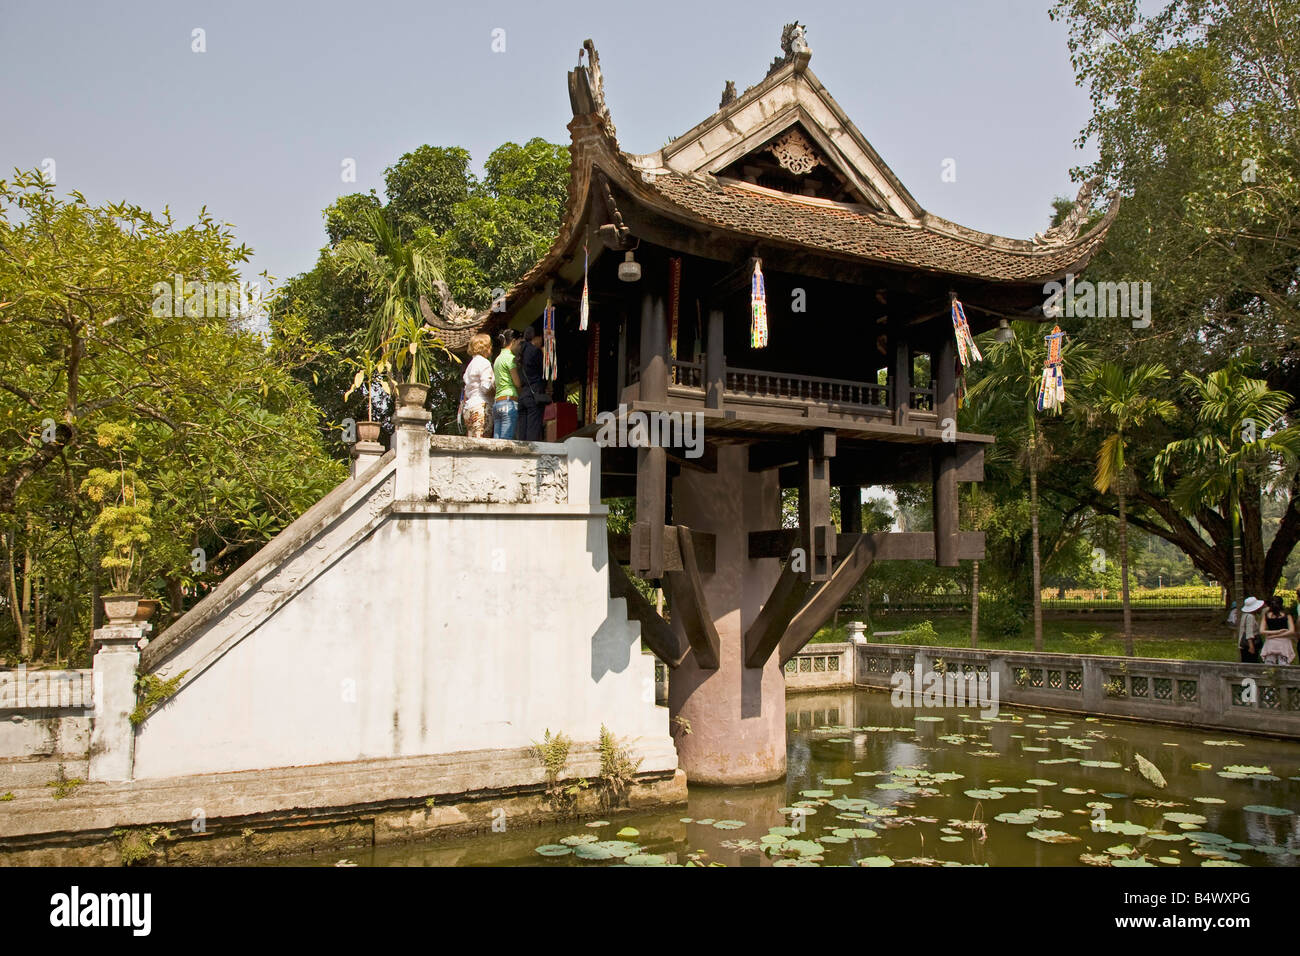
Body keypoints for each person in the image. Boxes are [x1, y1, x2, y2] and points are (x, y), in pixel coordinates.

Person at [516, 325, 548, 441]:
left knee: (522, 433)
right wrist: (544, 355)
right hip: (534, 393)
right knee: (533, 432)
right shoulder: (535, 351)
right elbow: (543, 372)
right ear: (536, 337)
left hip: (523, 395)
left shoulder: (519, 353)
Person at [460, 333, 495, 438]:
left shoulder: (470, 365)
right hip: (481, 406)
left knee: (472, 442)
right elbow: (485, 387)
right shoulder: (484, 363)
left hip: (469, 407)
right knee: (482, 442)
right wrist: (495, 387)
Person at [492, 331, 522, 439]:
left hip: (497, 403)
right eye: (519, 343)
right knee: (506, 441)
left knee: (496, 442)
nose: (520, 346)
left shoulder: (497, 359)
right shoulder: (510, 358)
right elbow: (517, 383)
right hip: (509, 402)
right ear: (513, 341)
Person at [1259, 596, 1297, 665]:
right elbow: (1292, 631)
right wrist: (1279, 632)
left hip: (1270, 642)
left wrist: (1273, 635)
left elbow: (1262, 631)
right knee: (1284, 665)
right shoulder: (1286, 614)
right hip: (1284, 642)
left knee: (1269, 665)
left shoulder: (1267, 615)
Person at [1237, 596, 1264, 663]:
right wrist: (1251, 646)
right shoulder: (1250, 617)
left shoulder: (1245, 615)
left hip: (1244, 644)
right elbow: (1249, 632)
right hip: (1249, 644)